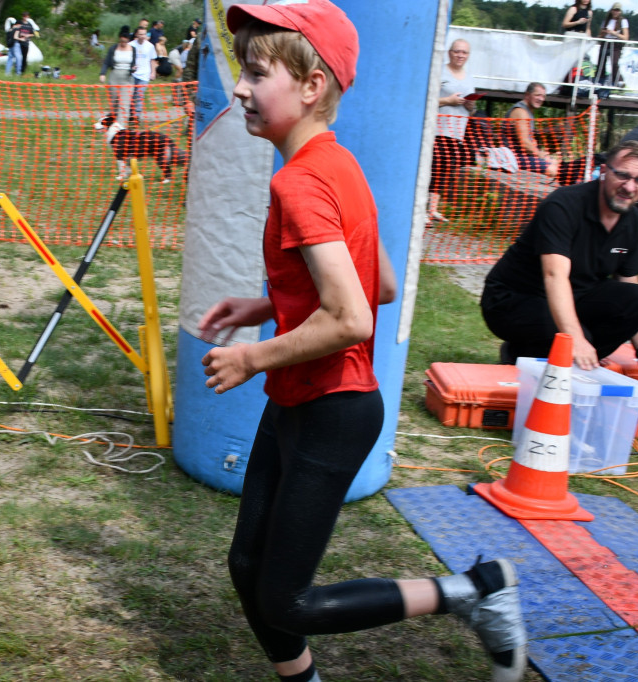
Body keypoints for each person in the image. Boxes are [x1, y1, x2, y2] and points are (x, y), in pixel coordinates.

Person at [198, 2, 528, 682]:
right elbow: (376, 283)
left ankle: (472, 593)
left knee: (287, 598)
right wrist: (265, 304)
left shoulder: (301, 181)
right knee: (248, 568)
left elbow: (351, 318)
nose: (240, 89)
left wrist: (250, 354)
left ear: (312, 85)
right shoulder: (337, 164)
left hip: (333, 411)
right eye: (241, 71)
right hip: (299, 398)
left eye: (257, 73)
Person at [480, 140, 638, 381]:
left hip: (574, 298)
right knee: (579, 338)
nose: (629, 187)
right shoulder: (563, 205)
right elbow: (554, 276)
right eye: (622, 175)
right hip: (514, 300)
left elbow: (630, 283)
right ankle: (520, 352)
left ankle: (568, 361)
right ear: (603, 172)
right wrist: (576, 339)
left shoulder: (631, 220)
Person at [429, 39, 477, 225]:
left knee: (446, 169)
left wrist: (471, 105)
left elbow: (471, 109)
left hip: (457, 132)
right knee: (434, 166)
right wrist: (447, 101)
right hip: (437, 129)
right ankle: (423, 209)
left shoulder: (469, 77)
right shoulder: (439, 71)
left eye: (464, 52)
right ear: (449, 53)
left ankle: (433, 209)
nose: (460, 55)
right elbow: (427, 97)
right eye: (457, 51)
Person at [507, 83, 560, 179]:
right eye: (537, 95)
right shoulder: (520, 111)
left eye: (543, 96)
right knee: (552, 169)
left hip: (523, 156)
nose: (541, 99)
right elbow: (524, 142)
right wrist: (539, 154)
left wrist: (542, 153)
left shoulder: (529, 111)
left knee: (556, 162)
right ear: (527, 95)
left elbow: (529, 140)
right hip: (513, 157)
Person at [99, 27, 136, 124]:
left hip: (127, 77)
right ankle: (113, 123)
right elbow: (106, 62)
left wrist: (133, 68)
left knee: (124, 103)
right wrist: (103, 74)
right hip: (114, 76)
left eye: (125, 41)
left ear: (128, 40)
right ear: (119, 38)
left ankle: (121, 127)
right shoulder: (113, 48)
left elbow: (134, 63)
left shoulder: (133, 49)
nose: (123, 43)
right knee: (114, 103)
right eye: (122, 41)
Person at [128, 26, 158, 123]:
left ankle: (137, 117)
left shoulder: (150, 46)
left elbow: (152, 60)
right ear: (136, 34)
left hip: (144, 75)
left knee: (139, 96)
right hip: (133, 75)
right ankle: (131, 115)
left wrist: (153, 72)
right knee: (131, 96)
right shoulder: (131, 45)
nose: (142, 36)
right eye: (140, 34)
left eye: (144, 34)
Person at [597, 3, 629, 89]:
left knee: (614, 63)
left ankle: (618, 81)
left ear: (620, 11)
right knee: (601, 62)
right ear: (611, 11)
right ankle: (600, 80)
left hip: (616, 44)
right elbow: (600, 35)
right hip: (605, 42)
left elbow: (626, 37)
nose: (616, 12)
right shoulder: (606, 21)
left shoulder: (623, 21)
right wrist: (604, 32)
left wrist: (614, 33)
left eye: (618, 10)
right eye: (614, 10)